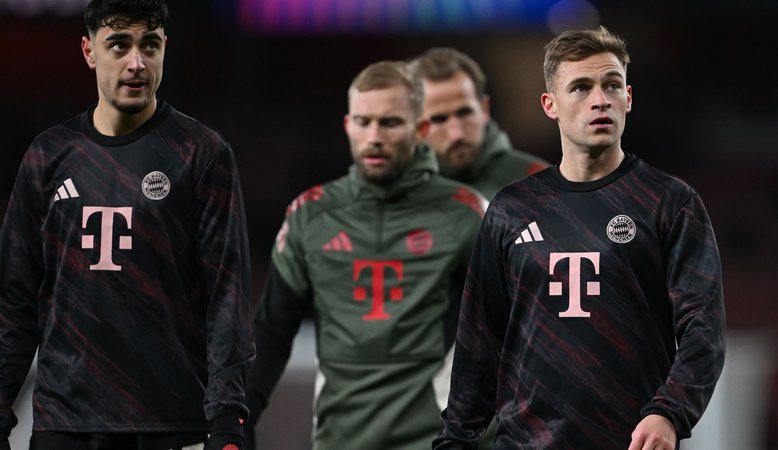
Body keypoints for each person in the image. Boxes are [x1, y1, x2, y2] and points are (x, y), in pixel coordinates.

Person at [433, 26, 726, 450]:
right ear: (550, 104)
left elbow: (704, 330)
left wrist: (668, 411)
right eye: (581, 87)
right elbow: (479, 343)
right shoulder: (511, 209)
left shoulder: (669, 202)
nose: (600, 99)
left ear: (629, 97)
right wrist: (455, 441)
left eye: (612, 85)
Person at [0, 1, 254, 449]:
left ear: (164, 48)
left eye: (149, 45)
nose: (136, 62)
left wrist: (227, 417)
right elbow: (15, 301)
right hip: (66, 425)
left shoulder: (201, 154)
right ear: (89, 51)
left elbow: (227, 298)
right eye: (119, 45)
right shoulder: (48, 156)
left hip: (169, 423)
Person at [244, 61, 486, 450]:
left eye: (390, 123)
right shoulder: (311, 215)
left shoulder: (466, 215)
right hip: (339, 441)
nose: (374, 137)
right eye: (363, 121)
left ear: (421, 129)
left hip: (433, 442)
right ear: (347, 126)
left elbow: (506, 335)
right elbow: (272, 329)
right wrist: (240, 418)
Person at [413, 47, 549, 201]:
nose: (457, 134)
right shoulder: (397, 193)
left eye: (465, 113)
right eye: (439, 119)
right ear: (416, 125)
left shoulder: (538, 183)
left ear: (484, 109)